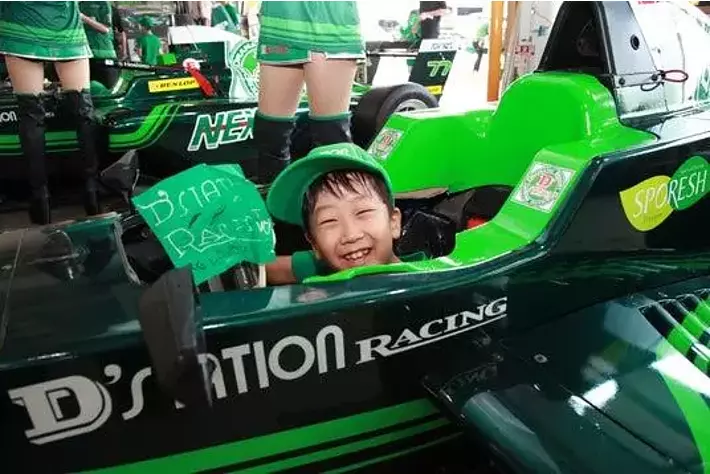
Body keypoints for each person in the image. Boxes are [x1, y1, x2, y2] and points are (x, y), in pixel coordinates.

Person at [0, 1, 101, 225]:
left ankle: (41, 201)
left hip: (21, 27)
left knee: (31, 115)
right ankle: (92, 194)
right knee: (84, 112)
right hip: (66, 27)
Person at [265, 143, 411, 285]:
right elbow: (269, 269)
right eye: (329, 221)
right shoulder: (321, 267)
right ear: (314, 244)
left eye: (363, 212)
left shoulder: (423, 276)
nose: (351, 235)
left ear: (393, 222)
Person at [253, 1, 366, 185]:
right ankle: (276, 199)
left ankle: (335, 201)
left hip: (329, 21)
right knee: (270, 135)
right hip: (280, 20)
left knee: (330, 140)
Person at [79, 1, 118, 89]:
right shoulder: (78, 4)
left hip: (104, 56)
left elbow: (105, 29)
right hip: (85, 57)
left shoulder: (102, 3)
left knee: (107, 90)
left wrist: (83, 17)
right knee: (86, 91)